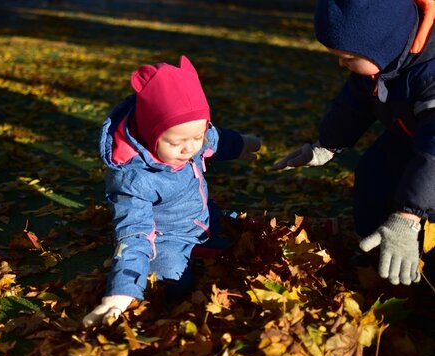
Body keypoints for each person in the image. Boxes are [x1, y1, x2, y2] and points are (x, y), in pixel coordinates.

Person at [82, 55, 261, 326]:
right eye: (177, 142)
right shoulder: (134, 179)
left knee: (250, 232)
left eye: (196, 137)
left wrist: (245, 144)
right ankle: (155, 278)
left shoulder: (194, 136)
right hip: (166, 238)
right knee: (172, 278)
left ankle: (207, 241)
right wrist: (120, 293)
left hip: (201, 216)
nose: (190, 148)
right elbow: (134, 233)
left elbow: (218, 139)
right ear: (151, 133)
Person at [273, 0, 435, 286]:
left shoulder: (430, 73)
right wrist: (327, 145)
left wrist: (407, 216)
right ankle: (373, 247)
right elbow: (354, 104)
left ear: (384, 43)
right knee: (374, 173)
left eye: (347, 57)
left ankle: (423, 269)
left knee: (425, 202)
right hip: (409, 133)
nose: (341, 63)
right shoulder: (382, 65)